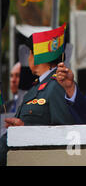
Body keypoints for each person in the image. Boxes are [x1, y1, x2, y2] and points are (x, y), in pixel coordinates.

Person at [1, 34, 74, 165]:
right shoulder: (38, 86)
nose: (29, 58)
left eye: (30, 54)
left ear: (37, 58)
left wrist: (25, 128)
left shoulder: (57, 85)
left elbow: (64, 132)